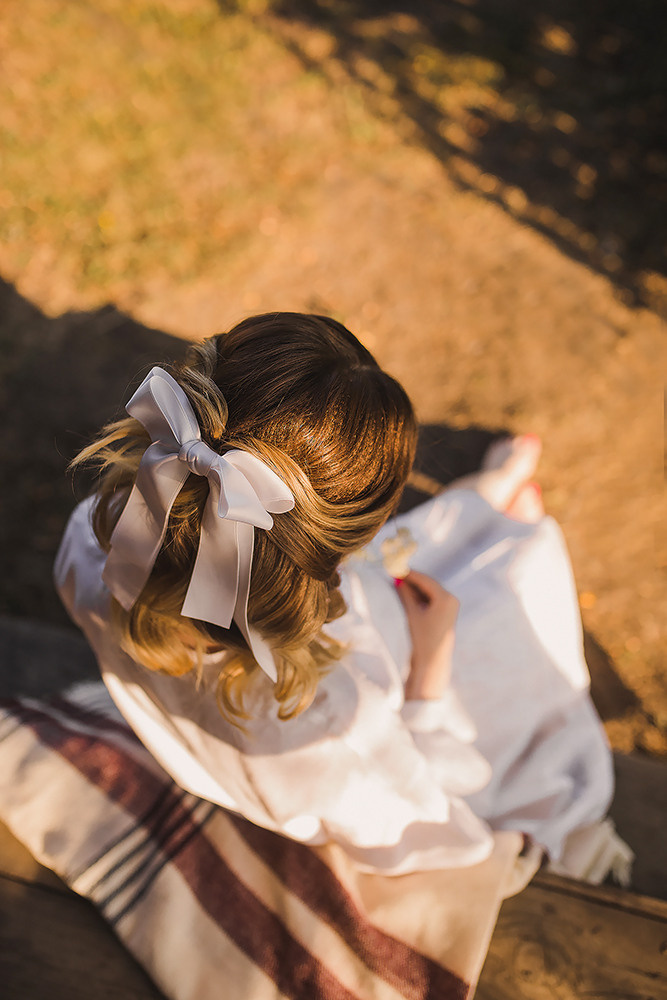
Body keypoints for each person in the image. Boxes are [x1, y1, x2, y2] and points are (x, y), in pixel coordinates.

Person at [55, 311, 615, 878]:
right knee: (517, 577)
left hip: (271, 622)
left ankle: (482, 505)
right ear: (343, 546)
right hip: (395, 686)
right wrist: (430, 669)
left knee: (458, 561)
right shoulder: (335, 731)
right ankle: (485, 511)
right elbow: (438, 831)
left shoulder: (96, 542)